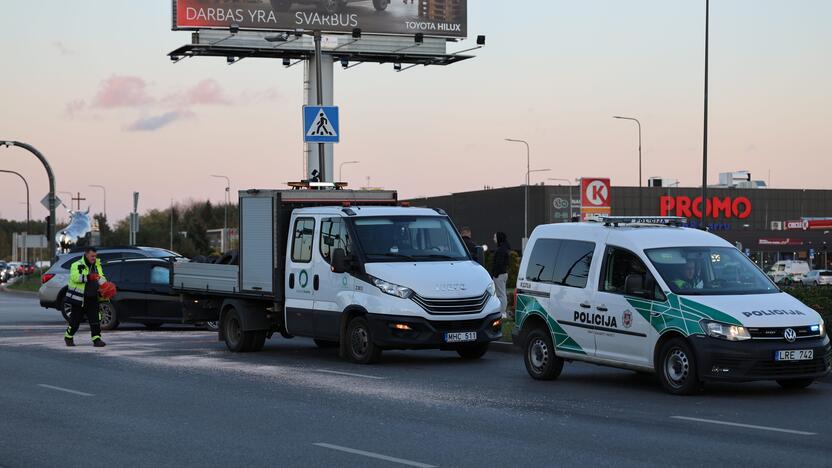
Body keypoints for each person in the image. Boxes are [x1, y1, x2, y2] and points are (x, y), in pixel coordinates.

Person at [64, 246, 107, 347]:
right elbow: (75, 277)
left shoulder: (97, 265)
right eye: (92, 256)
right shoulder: (77, 265)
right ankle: (68, 337)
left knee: (95, 320)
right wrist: (88, 277)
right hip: (79, 299)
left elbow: (101, 278)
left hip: (93, 298)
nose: (94, 258)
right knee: (75, 322)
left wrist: (105, 286)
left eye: (95, 256)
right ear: (86, 254)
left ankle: (97, 339)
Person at [491, 232, 510, 317]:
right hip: (502, 274)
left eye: (495, 237)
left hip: (500, 274)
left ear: (499, 238)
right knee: (502, 293)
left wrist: (495, 274)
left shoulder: (501, 250)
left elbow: (499, 263)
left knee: (501, 294)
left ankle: (502, 313)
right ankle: (502, 312)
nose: (493, 239)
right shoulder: (503, 248)